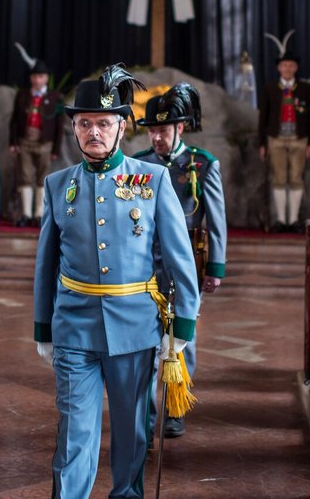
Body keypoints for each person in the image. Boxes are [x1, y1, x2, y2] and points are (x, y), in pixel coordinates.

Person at [33, 64, 200, 499]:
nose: (94, 132)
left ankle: (126, 494)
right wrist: (43, 328)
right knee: (74, 433)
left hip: (135, 326)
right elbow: (45, 264)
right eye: (85, 123)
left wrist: (182, 329)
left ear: (122, 127)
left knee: (132, 434)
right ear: (72, 127)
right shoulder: (57, 186)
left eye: (104, 123)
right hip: (73, 327)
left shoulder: (153, 181)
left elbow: (181, 260)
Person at [134, 82, 227, 439]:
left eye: (163, 129)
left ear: (180, 128)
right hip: (144, 262)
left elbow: (216, 218)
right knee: (144, 338)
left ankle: (175, 408)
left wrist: (216, 266)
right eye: (153, 130)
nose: (157, 137)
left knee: (180, 337)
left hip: (186, 260)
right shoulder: (139, 163)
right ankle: (145, 411)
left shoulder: (202, 164)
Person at [258, 33, 310, 232]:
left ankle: (293, 220)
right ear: (279, 68)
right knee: (279, 178)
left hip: (299, 139)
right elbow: (263, 118)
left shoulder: (306, 89)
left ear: (296, 68)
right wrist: (262, 144)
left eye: (291, 65)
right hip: (276, 139)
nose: (288, 69)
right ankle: (281, 220)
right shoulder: (269, 89)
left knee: (296, 178)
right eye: (284, 65)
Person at [9, 44, 64, 227]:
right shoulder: (23, 95)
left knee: (42, 177)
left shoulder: (55, 97)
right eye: (34, 76)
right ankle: (25, 213)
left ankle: (39, 214)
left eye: (40, 76)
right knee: (24, 176)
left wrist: (55, 148)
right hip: (25, 141)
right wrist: (13, 141)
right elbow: (15, 120)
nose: (37, 79)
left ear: (46, 78)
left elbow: (59, 124)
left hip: (45, 143)